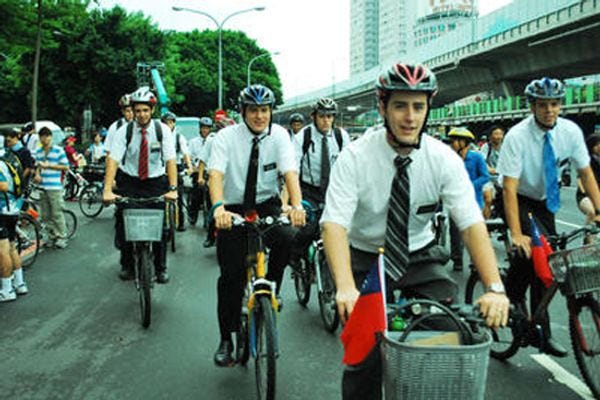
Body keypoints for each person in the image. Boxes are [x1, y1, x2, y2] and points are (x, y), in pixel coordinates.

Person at [320, 61, 509, 400]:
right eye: (400, 106)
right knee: (363, 356)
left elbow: (470, 224)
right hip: (365, 258)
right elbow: (334, 224)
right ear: (383, 108)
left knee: (450, 335)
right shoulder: (355, 157)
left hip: (419, 255)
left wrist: (495, 288)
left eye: (418, 107)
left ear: (427, 109)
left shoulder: (443, 158)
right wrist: (345, 287)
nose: (410, 117)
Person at [496, 77, 600, 357]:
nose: (549, 110)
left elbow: (586, 173)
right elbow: (509, 188)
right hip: (517, 197)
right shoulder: (517, 136)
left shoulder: (570, 131)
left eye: (554, 104)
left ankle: (540, 330)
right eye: (542, 105)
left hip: (545, 201)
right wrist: (516, 234)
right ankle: (508, 297)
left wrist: (599, 211)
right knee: (533, 251)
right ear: (532, 107)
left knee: (549, 264)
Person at [208, 84, 305, 367]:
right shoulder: (226, 137)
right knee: (231, 278)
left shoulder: (280, 136)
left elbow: (290, 173)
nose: (260, 116)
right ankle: (226, 339)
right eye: (253, 110)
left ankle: (271, 286)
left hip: (266, 203)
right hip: (233, 207)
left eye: (264, 110)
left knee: (288, 236)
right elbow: (215, 175)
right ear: (243, 112)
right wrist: (218, 209)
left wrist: (297, 206)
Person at [103, 86, 178, 284]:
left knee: (160, 227)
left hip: (155, 181)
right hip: (130, 181)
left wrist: (173, 189)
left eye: (145, 110)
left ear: (152, 110)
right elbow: (113, 160)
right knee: (124, 223)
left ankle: (161, 267)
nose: (141, 114)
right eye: (137, 110)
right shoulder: (124, 132)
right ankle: (127, 264)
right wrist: (107, 189)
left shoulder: (162, 131)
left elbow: (170, 160)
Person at [290, 98, 350, 267]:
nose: (326, 120)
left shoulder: (340, 136)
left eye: (330, 116)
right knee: (308, 229)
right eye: (322, 116)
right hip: (309, 191)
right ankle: (295, 258)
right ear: (313, 117)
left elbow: (350, 166)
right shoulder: (303, 137)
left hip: (333, 190)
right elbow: (293, 168)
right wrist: (294, 203)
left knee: (341, 229)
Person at [447, 127, 490, 271]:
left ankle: (475, 260)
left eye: (455, 141)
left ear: (464, 143)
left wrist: (470, 186)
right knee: (455, 233)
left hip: (474, 201)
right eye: (451, 141)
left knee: (475, 233)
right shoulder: (449, 158)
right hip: (455, 201)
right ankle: (457, 259)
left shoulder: (477, 157)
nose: (452, 144)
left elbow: (485, 176)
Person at [34, 127, 70, 249]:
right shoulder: (38, 151)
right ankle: (51, 236)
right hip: (43, 186)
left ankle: (62, 236)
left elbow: (66, 167)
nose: (44, 139)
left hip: (54, 186)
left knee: (56, 213)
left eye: (47, 136)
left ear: (51, 137)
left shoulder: (58, 150)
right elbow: (38, 166)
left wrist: (49, 166)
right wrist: (37, 174)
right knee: (45, 215)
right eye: (42, 137)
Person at [0, 147, 28, 302]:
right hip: (13, 208)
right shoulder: (9, 157)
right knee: (11, 246)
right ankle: (19, 283)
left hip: (2, 210)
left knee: (2, 250)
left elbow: (3, 186)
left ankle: (7, 290)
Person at [161, 111, 193, 232]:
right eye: (166, 122)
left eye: (171, 122)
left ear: (174, 123)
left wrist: (189, 166)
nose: (169, 125)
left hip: (177, 167)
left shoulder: (179, 137)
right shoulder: (158, 136)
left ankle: (181, 222)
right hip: (162, 169)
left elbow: (185, 153)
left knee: (178, 197)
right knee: (160, 198)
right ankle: (163, 224)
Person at [188, 117, 214, 228]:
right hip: (197, 171)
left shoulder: (213, 140)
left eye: (207, 128)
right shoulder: (193, 142)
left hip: (210, 171)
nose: (205, 130)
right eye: (203, 128)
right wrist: (192, 167)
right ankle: (193, 214)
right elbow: (189, 156)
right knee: (197, 193)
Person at [480, 125, 505, 218]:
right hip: (489, 178)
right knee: (488, 198)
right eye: (496, 134)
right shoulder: (486, 147)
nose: (498, 136)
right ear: (490, 136)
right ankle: (485, 221)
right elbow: (483, 162)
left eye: (501, 134)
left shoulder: (506, 146)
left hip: (503, 177)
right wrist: (491, 170)